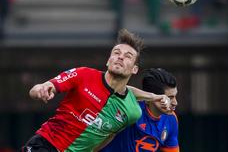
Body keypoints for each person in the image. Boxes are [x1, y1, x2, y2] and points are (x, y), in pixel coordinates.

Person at [20, 29, 170, 152]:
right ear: (108, 60)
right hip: (47, 145)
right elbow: (39, 89)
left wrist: (153, 97)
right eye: (116, 53)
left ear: (135, 69)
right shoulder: (83, 75)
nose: (120, 57)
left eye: (128, 56)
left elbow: (109, 135)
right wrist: (41, 88)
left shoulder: (132, 112)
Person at [100, 68, 179, 152]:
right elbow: (117, 88)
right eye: (169, 98)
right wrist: (151, 96)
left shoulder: (171, 119)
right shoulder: (131, 110)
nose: (175, 103)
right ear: (156, 97)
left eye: (175, 96)